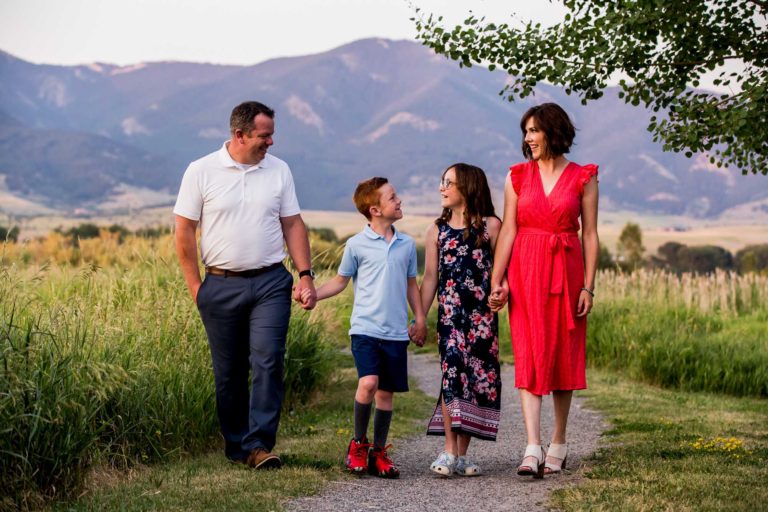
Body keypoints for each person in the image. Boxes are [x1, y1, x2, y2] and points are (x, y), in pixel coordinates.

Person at [174, 100, 317, 469]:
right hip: (220, 286)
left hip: (271, 282)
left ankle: (259, 445)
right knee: (229, 372)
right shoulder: (201, 171)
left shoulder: (279, 171)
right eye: (264, 136)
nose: (271, 142)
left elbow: (293, 224)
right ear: (239, 134)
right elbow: (184, 231)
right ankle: (237, 445)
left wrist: (305, 275)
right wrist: (196, 287)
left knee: (268, 360)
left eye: (272, 135)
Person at [489, 102, 599, 478]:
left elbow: (591, 234)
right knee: (529, 352)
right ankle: (532, 445)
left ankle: (559, 442)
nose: (528, 138)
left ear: (553, 132)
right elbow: (508, 230)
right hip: (526, 270)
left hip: (566, 271)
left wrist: (589, 286)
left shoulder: (584, 177)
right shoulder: (517, 176)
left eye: (534, 130)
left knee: (562, 353)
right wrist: (496, 280)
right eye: (526, 132)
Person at [303, 177, 426, 478]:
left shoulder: (407, 244)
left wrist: (420, 318)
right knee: (368, 382)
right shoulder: (356, 245)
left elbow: (412, 285)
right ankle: (358, 444)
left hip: (396, 332)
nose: (399, 201)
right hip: (365, 330)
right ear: (375, 209)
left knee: (386, 394)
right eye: (392, 197)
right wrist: (314, 294)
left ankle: (379, 453)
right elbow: (341, 281)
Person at [419, 163, 502, 477]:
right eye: (442, 182)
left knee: (476, 380)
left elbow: (503, 272)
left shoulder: (492, 227)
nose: (442, 188)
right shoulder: (436, 231)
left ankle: (462, 455)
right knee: (452, 374)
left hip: (482, 321)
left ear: (467, 187)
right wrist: (419, 318)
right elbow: (430, 280)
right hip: (450, 320)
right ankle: (449, 450)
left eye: (448, 183)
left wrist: (500, 292)